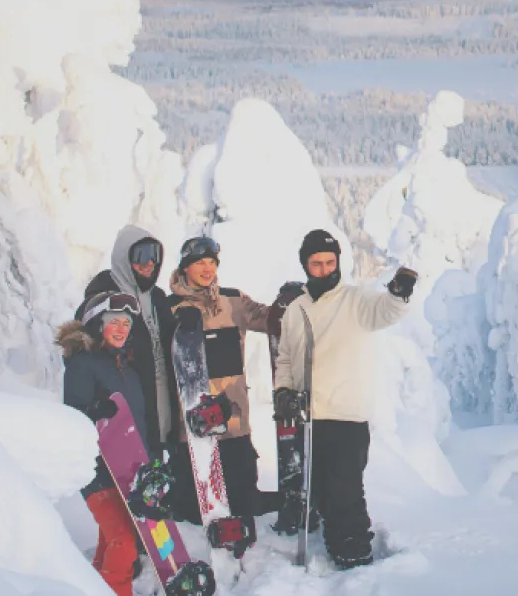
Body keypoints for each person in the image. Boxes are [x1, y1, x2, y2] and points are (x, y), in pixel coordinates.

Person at [273, 229, 417, 570]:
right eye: (316, 264)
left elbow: (386, 311)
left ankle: (355, 554)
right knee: (322, 490)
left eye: (329, 262)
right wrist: (282, 391)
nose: (324, 269)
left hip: (347, 416)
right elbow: (285, 358)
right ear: (306, 266)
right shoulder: (296, 309)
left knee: (345, 490)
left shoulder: (356, 300)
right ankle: (338, 546)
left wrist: (398, 294)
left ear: (338, 261)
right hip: (311, 418)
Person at [165, 235, 302, 542]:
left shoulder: (233, 301)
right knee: (195, 508)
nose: (207, 269)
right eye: (199, 262)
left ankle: (246, 561)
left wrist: (289, 304)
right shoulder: (168, 308)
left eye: (212, 262)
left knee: (242, 500)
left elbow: (271, 320)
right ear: (185, 267)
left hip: (235, 423)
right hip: (193, 428)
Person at [59, 291, 149, 596]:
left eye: (127, 322)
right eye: (114, 322)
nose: (122, 328)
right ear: (98, 324)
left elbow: (138, 424)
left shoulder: (128, 370)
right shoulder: (83, 365)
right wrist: (95, 412)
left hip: (124, 473)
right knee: (123, 543)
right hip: (96, 470)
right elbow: (71, 419)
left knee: (110, 542)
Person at [79, 226, 178, 457]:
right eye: (141, 255)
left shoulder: (158, 299)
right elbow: (82, 358)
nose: (150, 263)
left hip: (165, 415)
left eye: (155, 255)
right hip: (130, 418)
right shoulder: (102, 301)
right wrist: (94, 405)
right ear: (124, 258)